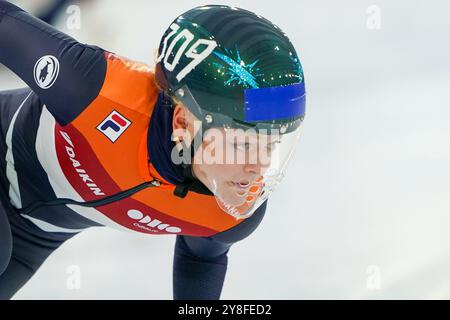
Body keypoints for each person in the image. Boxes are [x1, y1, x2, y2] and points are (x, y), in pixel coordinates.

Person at [0, 2, 306, 299]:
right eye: (243, 144)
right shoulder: (93, 90)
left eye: (271, 144)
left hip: (33, 235)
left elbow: (200, 262)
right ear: (184, 122)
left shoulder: (232, 210)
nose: (259, 167)